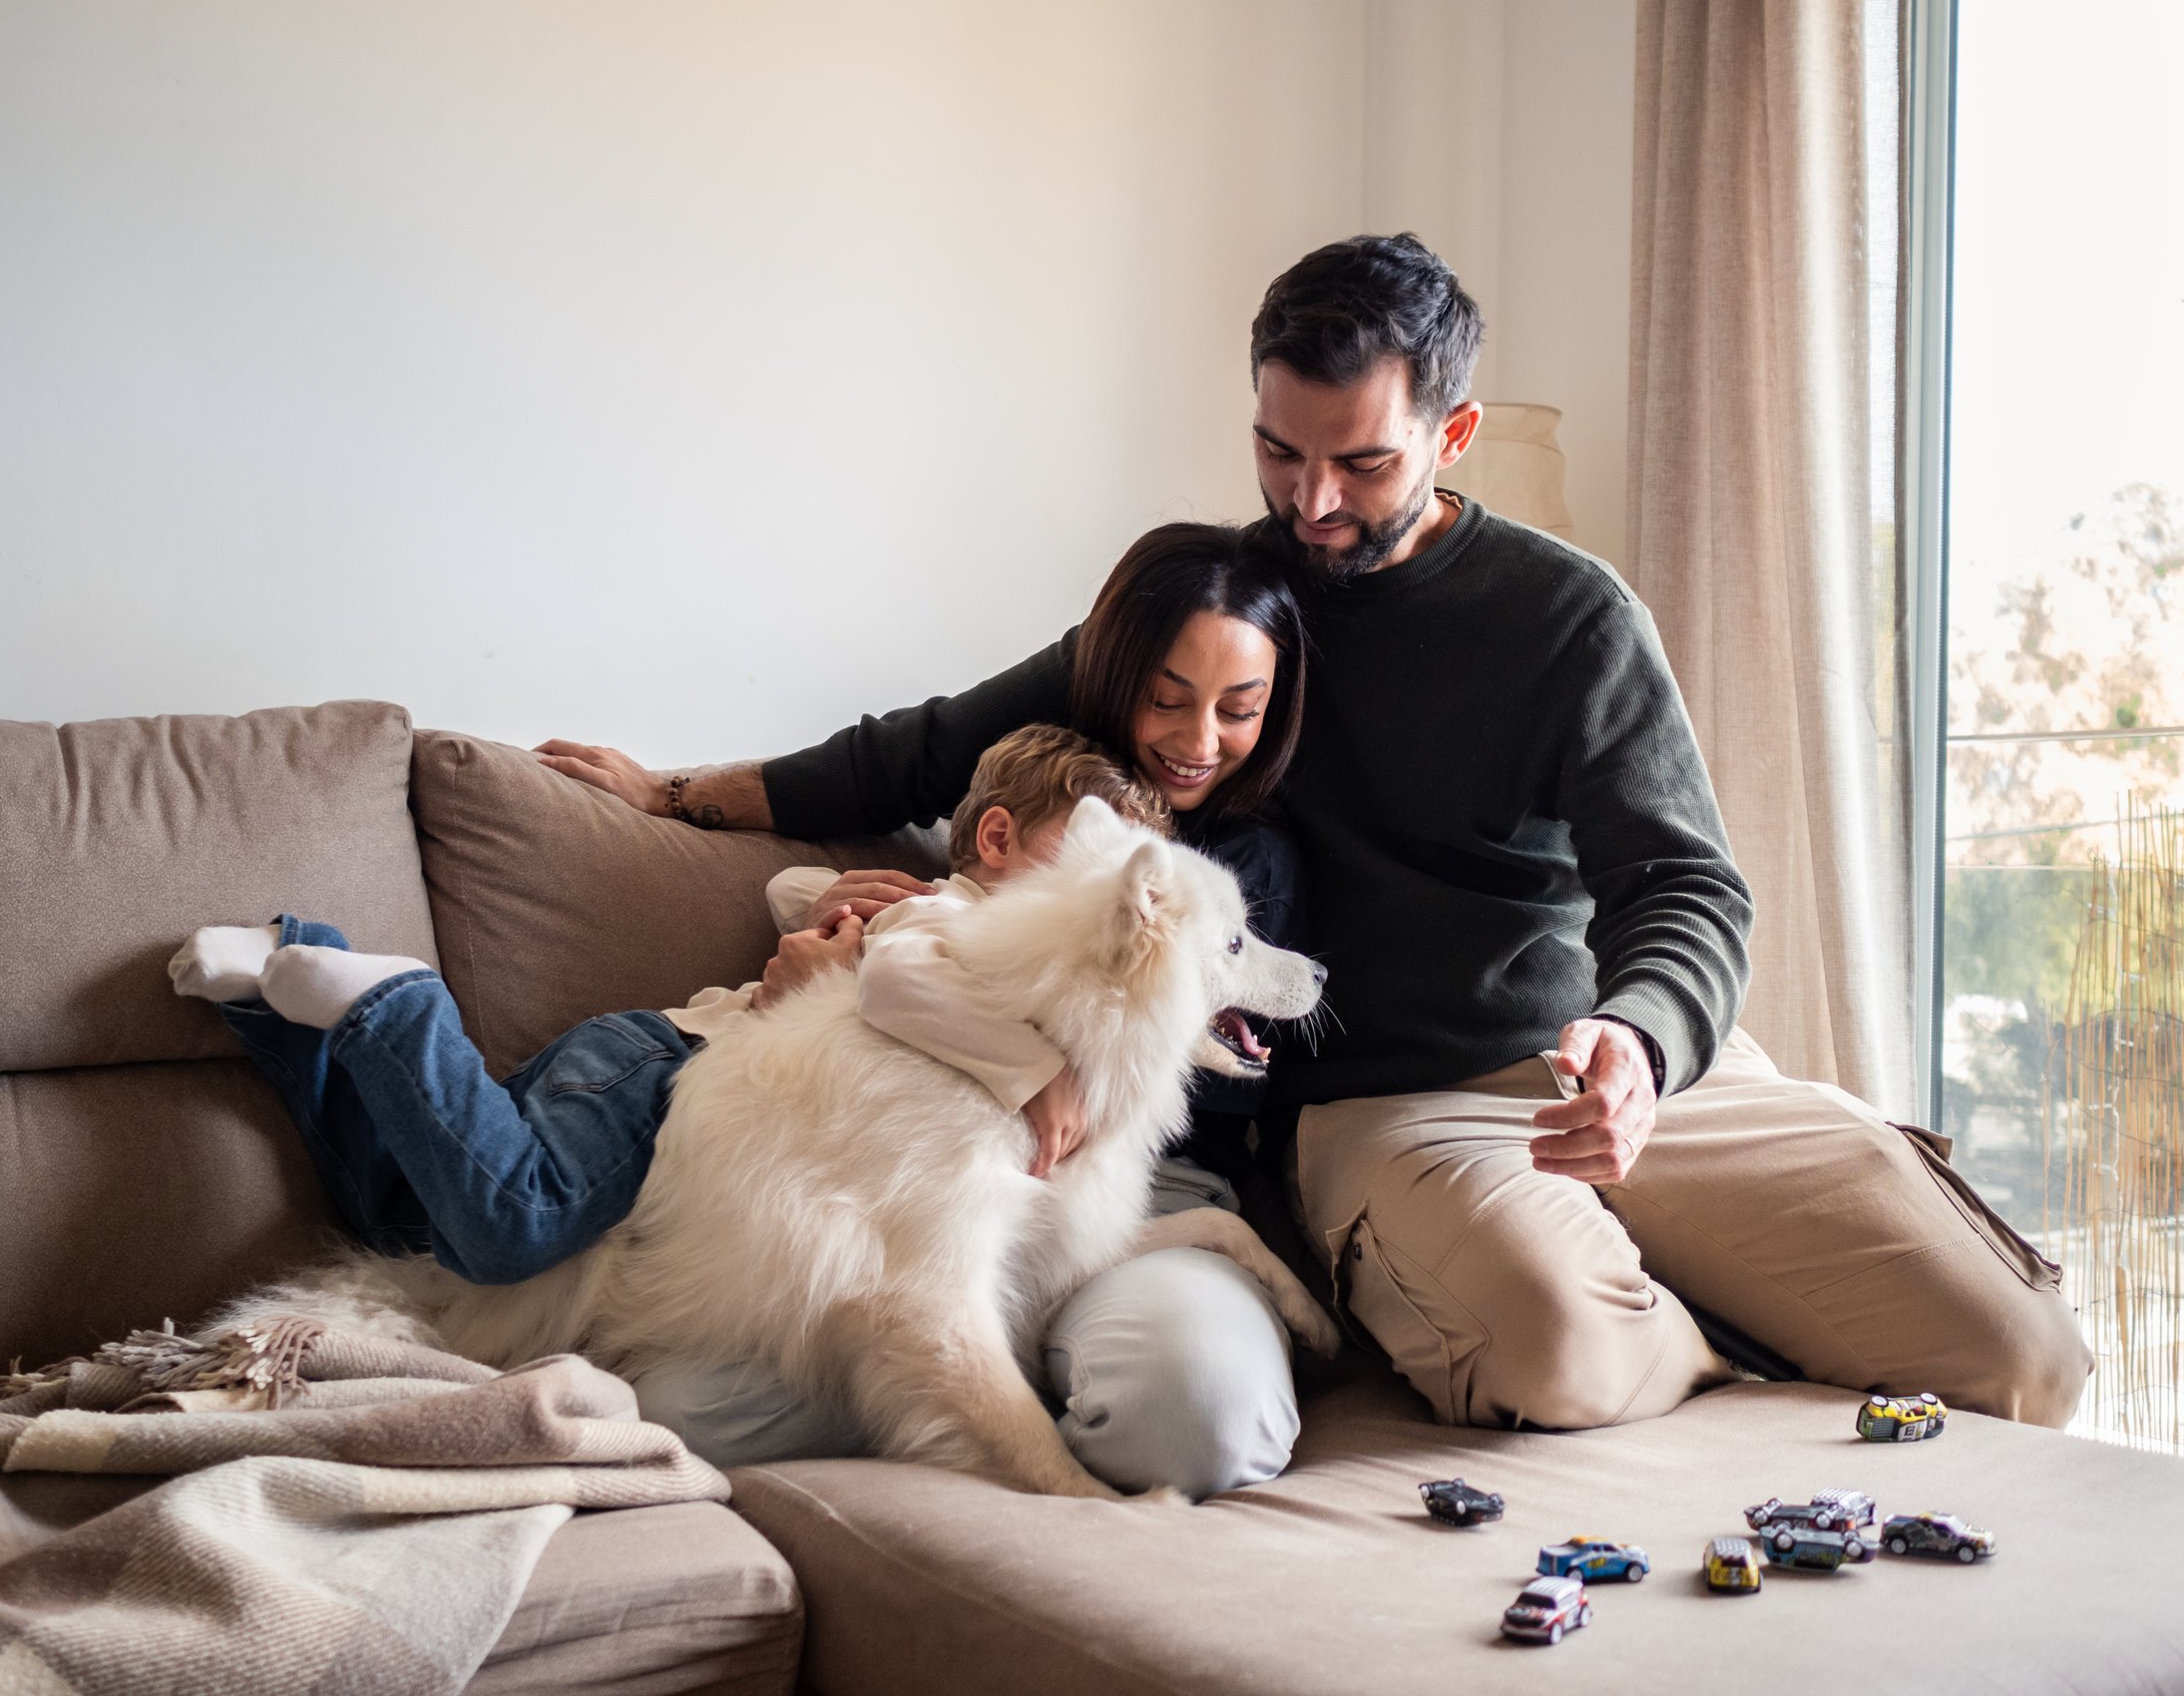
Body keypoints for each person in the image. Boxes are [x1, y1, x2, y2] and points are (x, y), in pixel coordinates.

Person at [548, 232, 2093, 1436]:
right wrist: (684, 793)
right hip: (1387, 1110)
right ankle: (1693, 1327)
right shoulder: (1215, 610)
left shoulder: (1566, 618)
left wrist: (1637, 1043)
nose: (1310, 500)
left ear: (1456, 430)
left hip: (1602, 1067)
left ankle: (1680, 1249)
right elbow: (941, 737)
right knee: (1551, 1351)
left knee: (2019, 1350)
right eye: (1279, 452)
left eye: (1358, 461)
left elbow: (1683, 881)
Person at [545, 520, 1323, 1493]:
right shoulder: (1062, 804)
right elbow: (893, 761)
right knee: (689, 1409)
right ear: (1114, 675)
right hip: (965, 1194)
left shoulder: (1253, 867)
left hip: (1139, 1199)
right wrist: (672, 796)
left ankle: (1045, 1380)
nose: (1198, 741)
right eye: (1166, 700)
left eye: (1238, 709)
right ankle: (1006, 1377)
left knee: (1191, 1422)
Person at [167, 723, 1164, 1288]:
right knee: (511, 1228)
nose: (1101, 903)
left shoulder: (921, 908)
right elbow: (902, 982)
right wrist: (1038, 1073)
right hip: (672, 1078)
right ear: (993, 840)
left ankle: (286, 986)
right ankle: (400, 1004)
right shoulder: (957, 921)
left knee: (403, 1221)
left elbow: (788, 900)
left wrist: (824, 897)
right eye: (1088, 862)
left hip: (633, 1063)